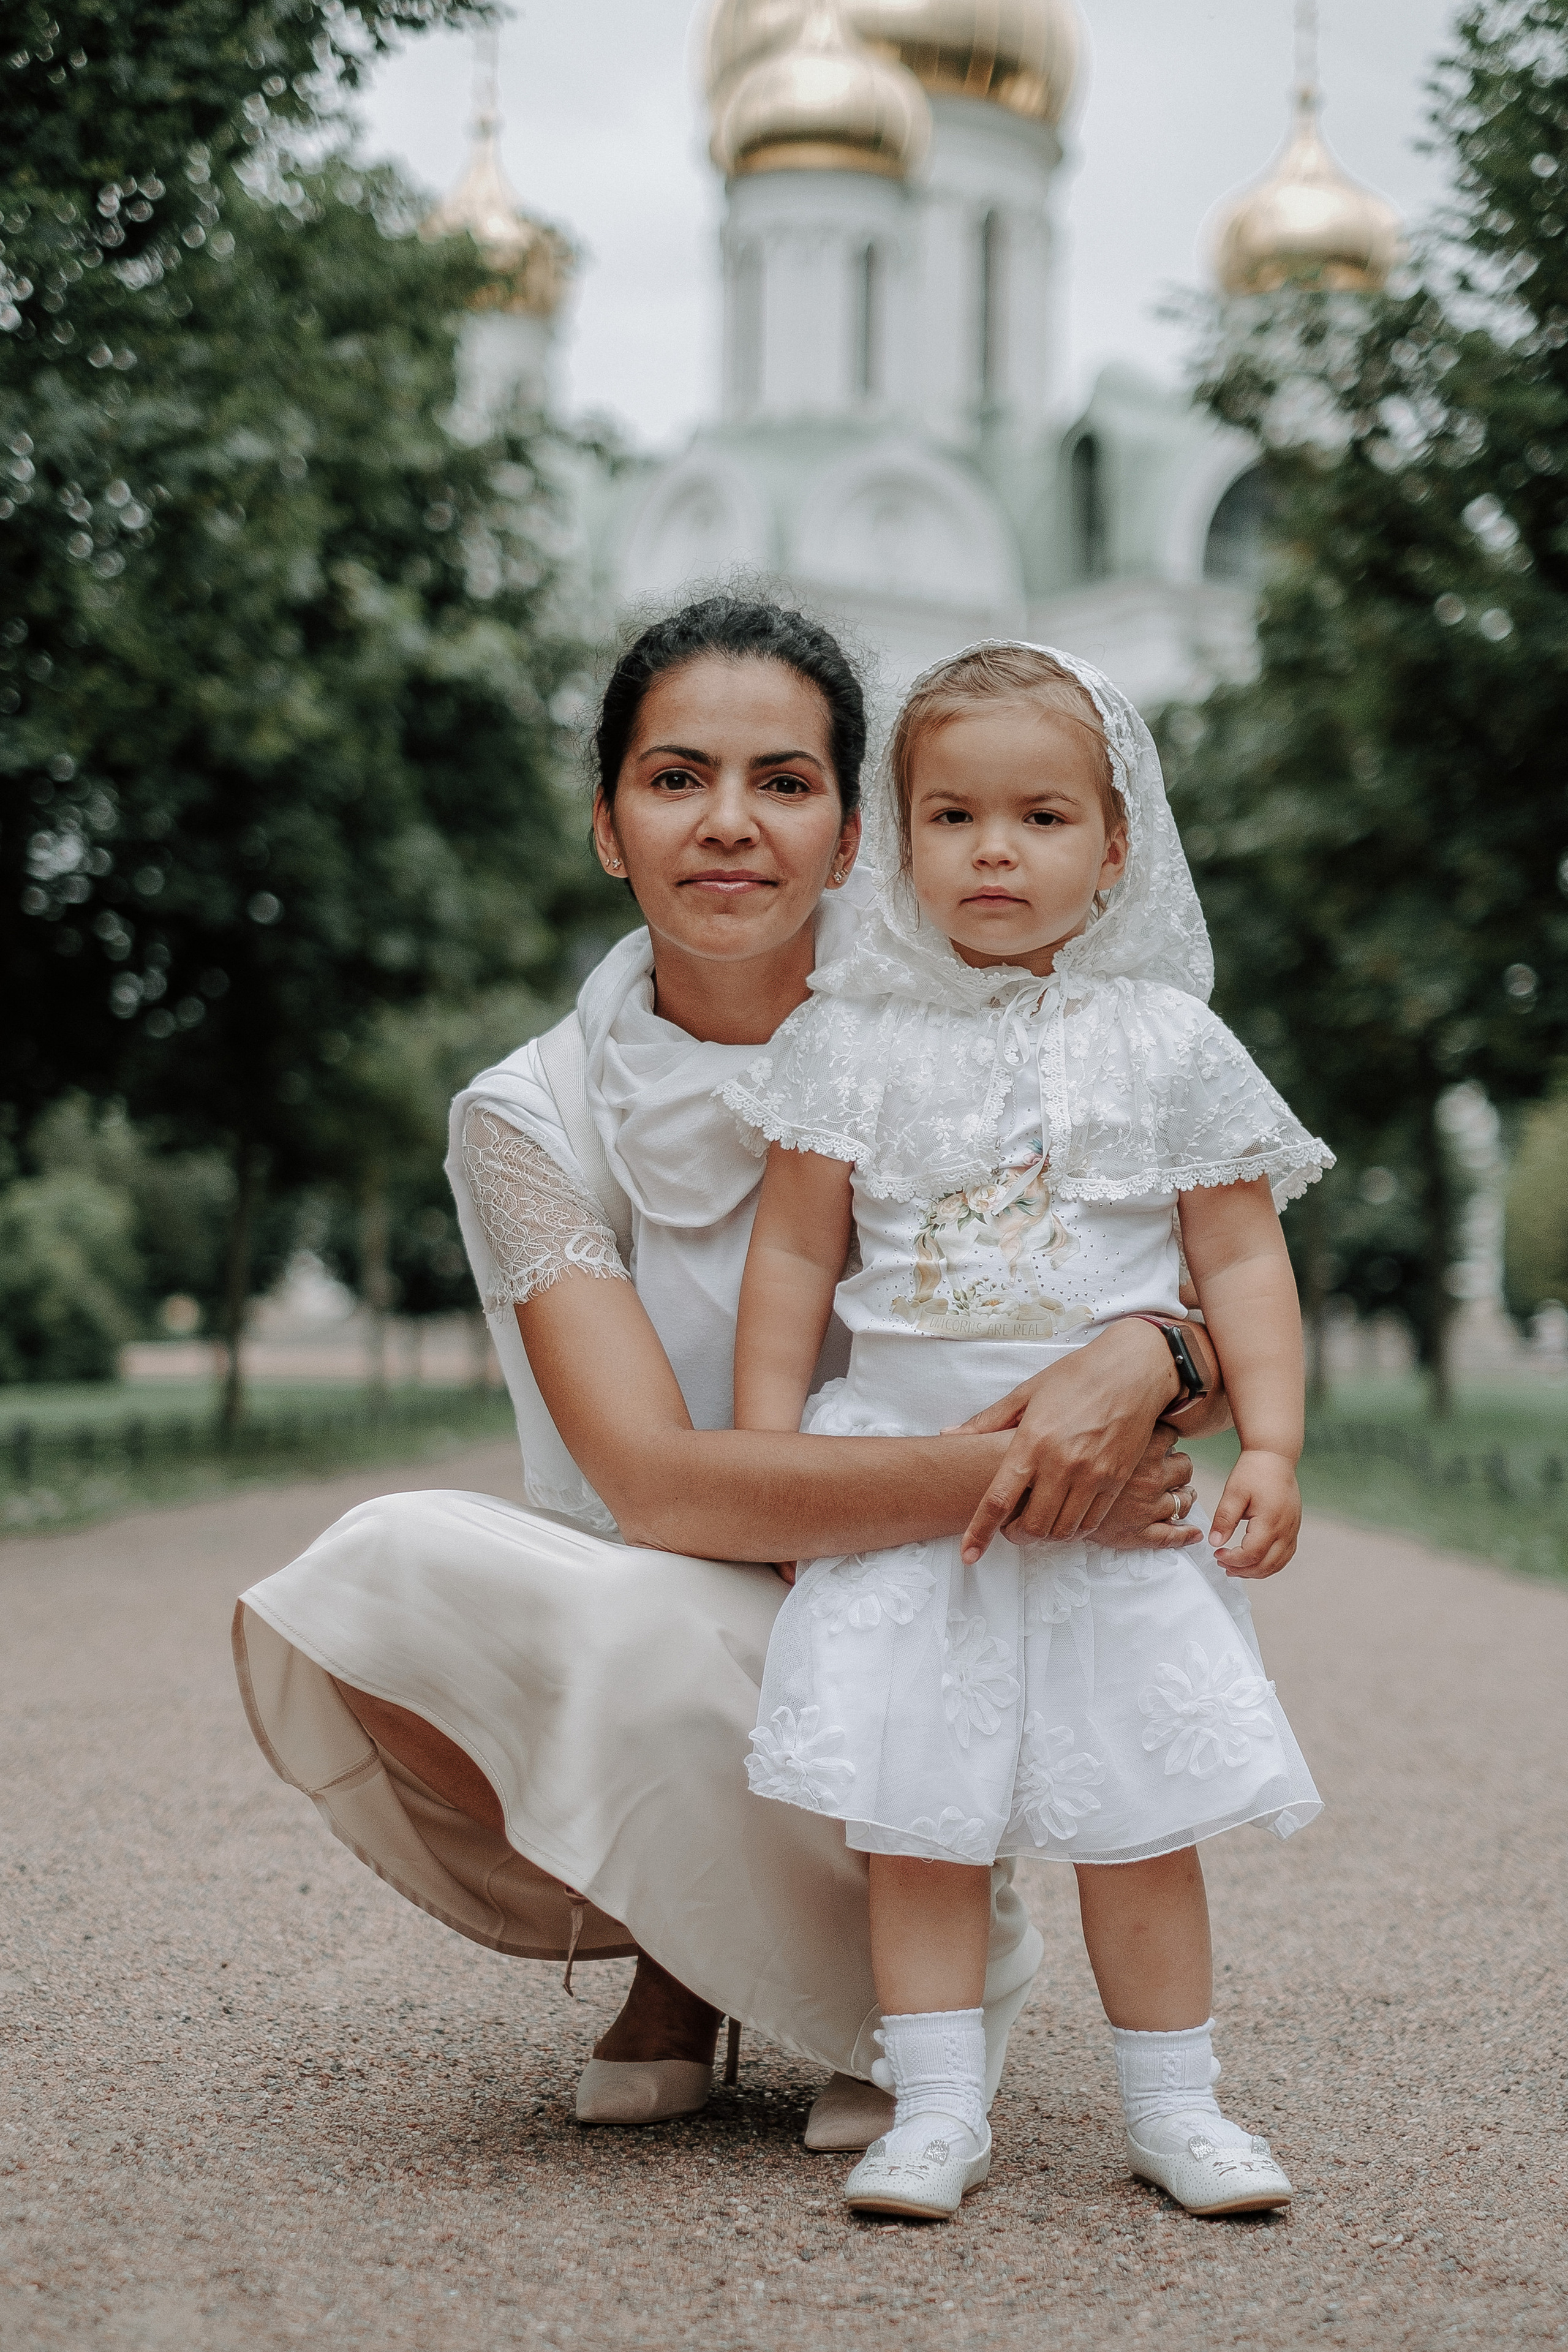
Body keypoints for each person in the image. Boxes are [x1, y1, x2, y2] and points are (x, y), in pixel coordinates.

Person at [233, 600, 1220, 2149]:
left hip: (951, 1590)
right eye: (674, 779)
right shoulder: (525, 1114)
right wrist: (1037, 1470)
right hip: (721, 1568)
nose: (727, 826)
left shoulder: (981, 1029)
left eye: (785, 782)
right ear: (609, 828)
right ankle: (681, 1957)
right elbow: (653, 1481)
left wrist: (1149, 1352)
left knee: (765, 1630)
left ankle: (925, 1982)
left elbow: (1193, 1289)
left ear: (852, 841)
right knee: (398, 1574)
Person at [723, 642, 1328, 2220]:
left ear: (1113, 844)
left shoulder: (1167, 1041)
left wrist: (1266, 1444)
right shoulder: (846, 1038)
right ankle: (935, 2107)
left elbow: (1240, 1255)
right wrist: (766, 1465)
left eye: (1041, 817)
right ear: (895, 839)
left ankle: (1175, 2107)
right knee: (917, 1821)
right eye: (952, 816)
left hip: (1111, 1506)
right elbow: (792, 1257)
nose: (995, 851)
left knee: (1135, 1820)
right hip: (901, 1494)